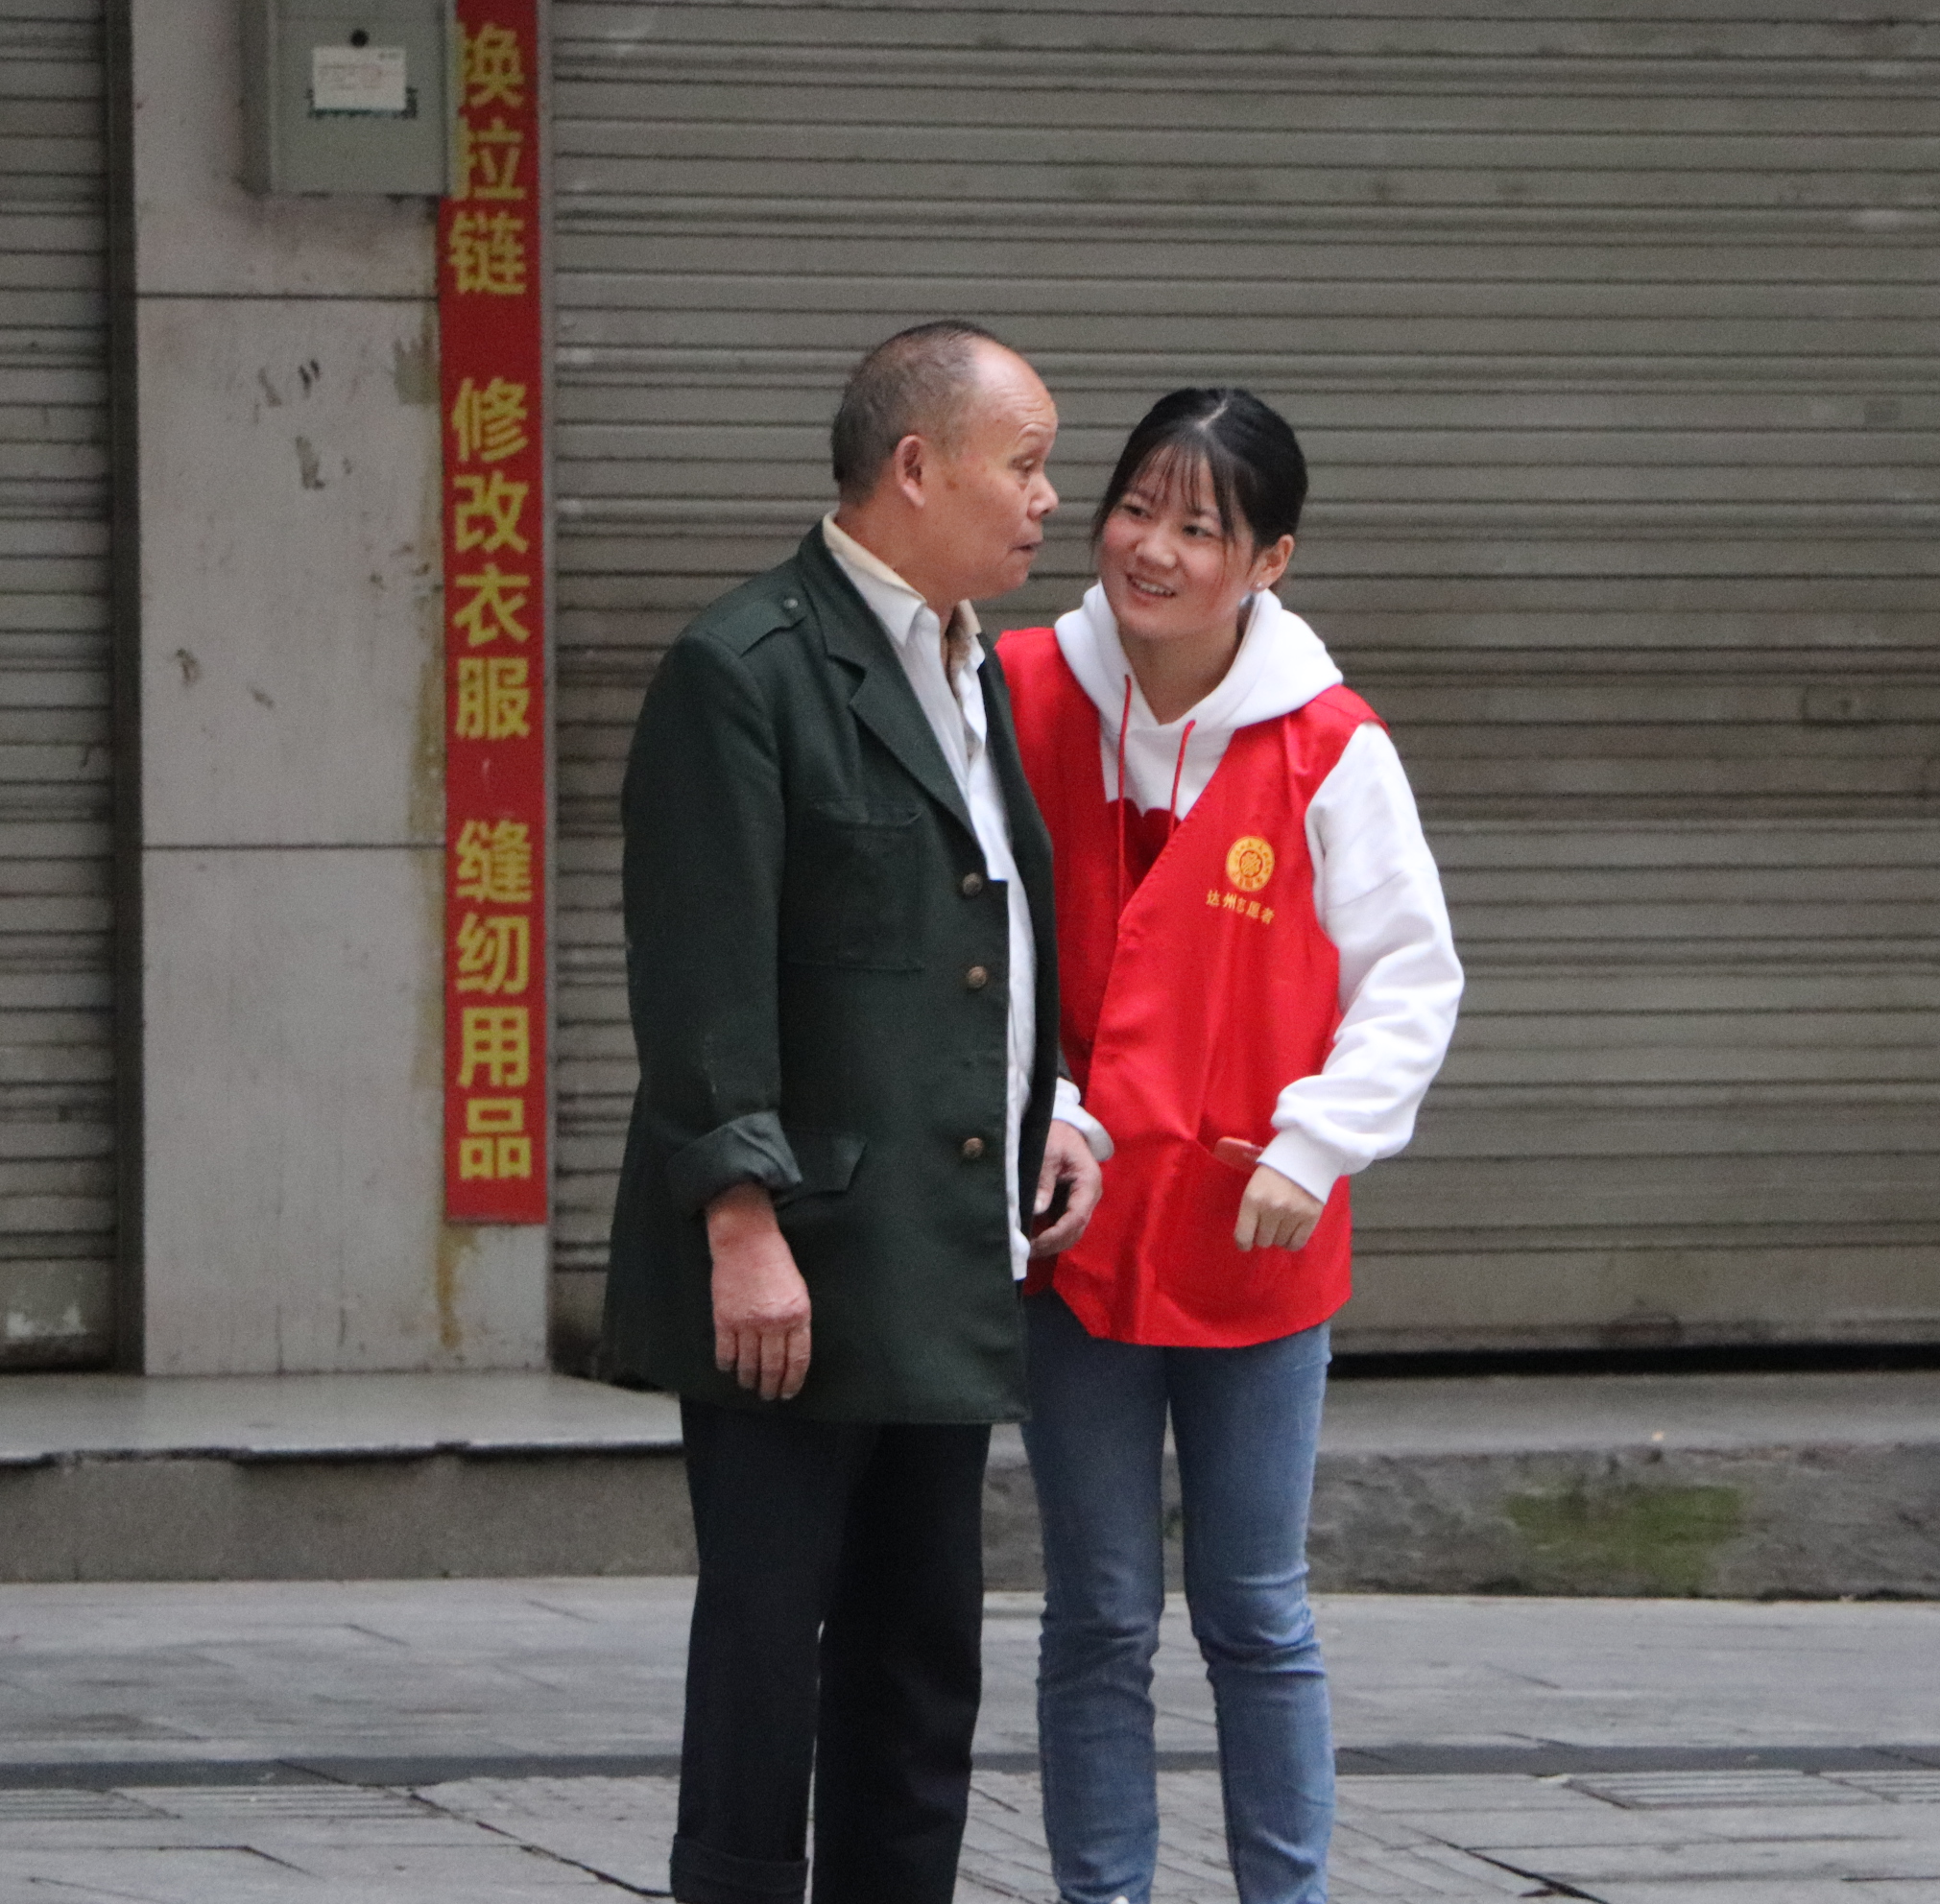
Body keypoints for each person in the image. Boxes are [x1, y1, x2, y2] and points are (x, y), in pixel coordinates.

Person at [600, 320, 1109, 1904]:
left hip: (938, 1249)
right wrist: (738, 1217)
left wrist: (1050, 1106)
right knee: (769, 1641)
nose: (1049, 501)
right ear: (916, 467)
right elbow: (702, 973)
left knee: (919, 1650)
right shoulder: (746, 668)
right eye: (1025, 466)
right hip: (799, 1256)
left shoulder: (972, 665)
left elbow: (981, 933)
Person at [998, 389, 1464, 1904]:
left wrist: (1317, 1143)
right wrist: (1045, 1110)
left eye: (1201, 528)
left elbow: (1411, 976)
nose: (1153, 548)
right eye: (1137, 508)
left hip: (1256, 1236)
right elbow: (973, 946)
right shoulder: (1017, 691)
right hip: (1074, 1237)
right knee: (1096, 1615)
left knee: (1256, 1612)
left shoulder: (1330, 746)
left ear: (1269, 562)